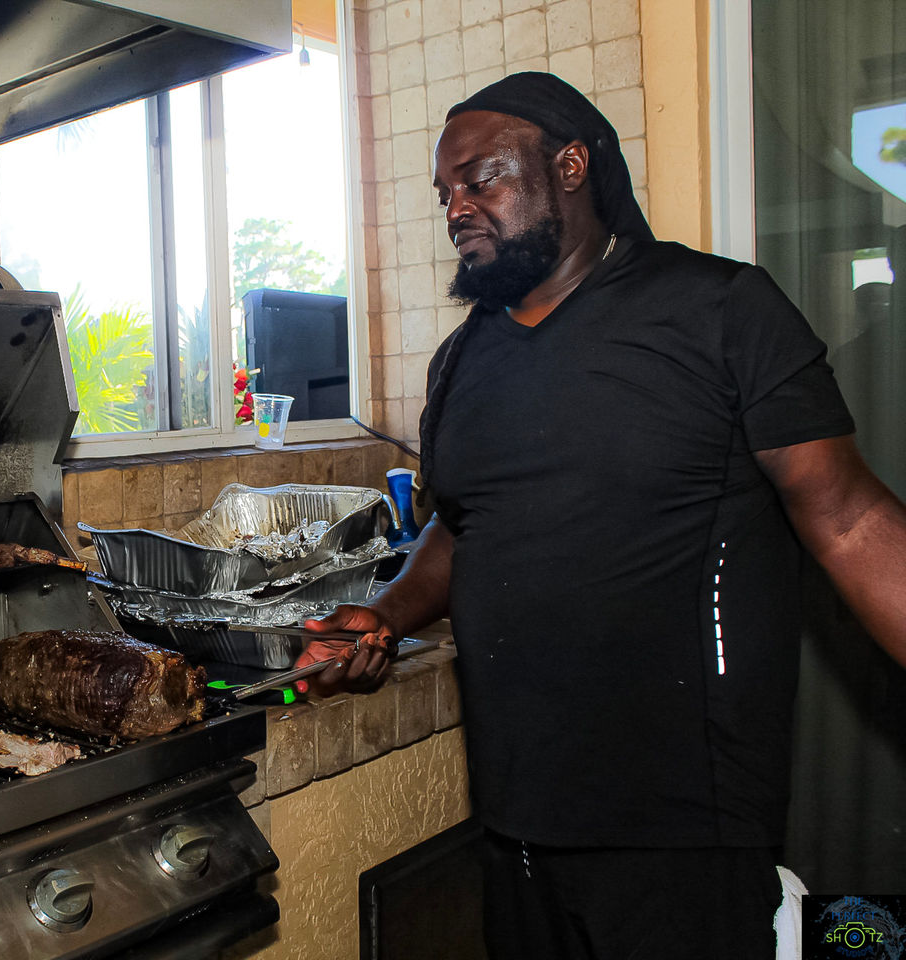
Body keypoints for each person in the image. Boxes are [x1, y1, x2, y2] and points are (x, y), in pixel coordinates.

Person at [296, 72, 906, 959]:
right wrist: (386, 611)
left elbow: (850, 519)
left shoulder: (723, 310)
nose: (458, 207)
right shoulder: (464, 360)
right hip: (515, 820)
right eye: (447, 194)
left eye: (481, 179)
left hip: (683, 829)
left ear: (572, 164)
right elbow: (464, 526)